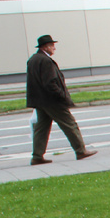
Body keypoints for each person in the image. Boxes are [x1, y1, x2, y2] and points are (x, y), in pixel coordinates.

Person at [26, 35, 95, 165]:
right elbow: (50, 83)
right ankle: (80, 150)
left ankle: (37, 156)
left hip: (40, 101)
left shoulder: (33, 59)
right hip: (52, 101)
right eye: (52, 45)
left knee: (41, 129)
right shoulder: (46, 61)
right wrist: (61, 95)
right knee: (70, 124)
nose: (54, 48)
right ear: (45, 47)